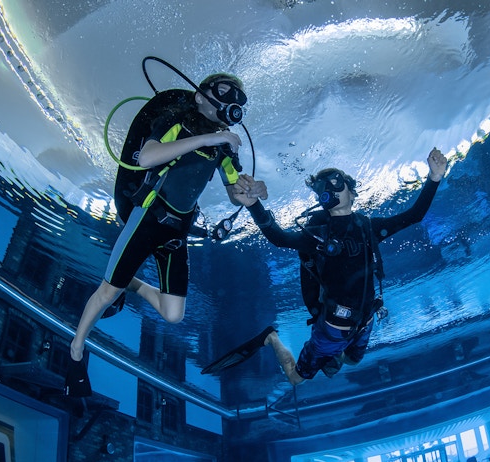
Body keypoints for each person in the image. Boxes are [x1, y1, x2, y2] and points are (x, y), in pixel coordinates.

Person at [65, 72, 263, 396]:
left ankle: (134, 284)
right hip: (148, 218)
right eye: (225, 94)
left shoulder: (223, 147)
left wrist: (253, 191)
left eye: (238, 100)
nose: (232, 104)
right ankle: (75, 350)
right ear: (200, 96)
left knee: (173, 315)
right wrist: (207, 139)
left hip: (177, 231)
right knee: (106, 293)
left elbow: (236, 193)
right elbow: (147, 157)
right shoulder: (179, 121)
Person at [230, 148, 448, 385]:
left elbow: (414, 215)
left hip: (365, 320)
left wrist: (434, 177)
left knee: (353, 361)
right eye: (322, 187)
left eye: (335, 182)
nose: (329, 189)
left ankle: (332, 357)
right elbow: (280, 237)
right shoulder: (319, 236)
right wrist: (254, 206)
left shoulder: (368, 228)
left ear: (352, 192)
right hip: (333, 329)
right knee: (296, 379)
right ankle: (272, 338)